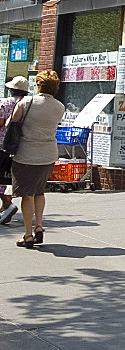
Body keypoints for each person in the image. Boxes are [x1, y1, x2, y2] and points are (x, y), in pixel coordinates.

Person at [10, 71, 65, 249]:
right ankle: (39, 226)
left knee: (27, 193)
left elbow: (13, 121)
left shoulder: (26, 102)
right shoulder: (59, 106)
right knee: (39, 191)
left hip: (27, 153)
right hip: (48, 154)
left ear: (39, 85)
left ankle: (28, 234)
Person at [0, 77, 30, 225]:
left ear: (11, 90)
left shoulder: (5, 103)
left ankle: (8, 204)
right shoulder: (27, 105)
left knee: (0, 176)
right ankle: (5, 206)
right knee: (7, 177)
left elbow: (0, 122)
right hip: (19, 145)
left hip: (2, 144)